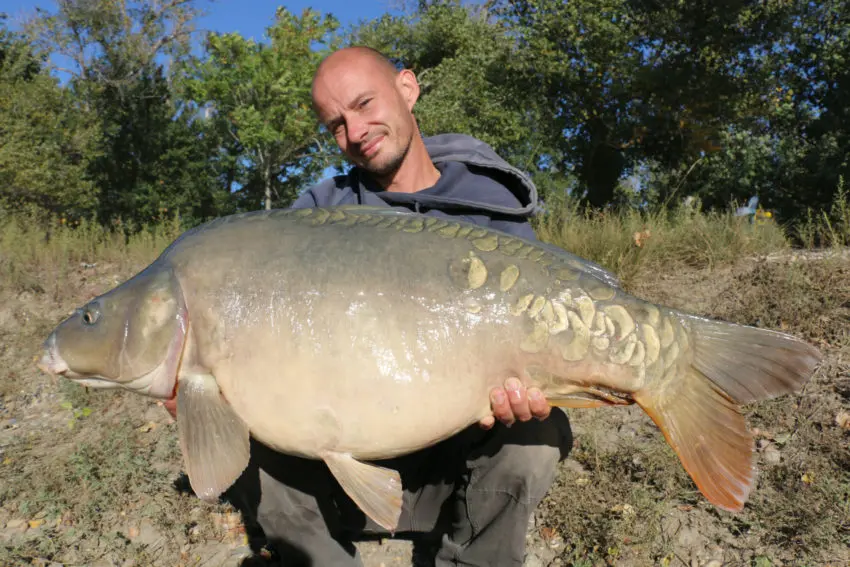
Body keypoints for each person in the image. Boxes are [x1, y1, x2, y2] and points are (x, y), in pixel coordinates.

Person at [168, 46, 574, 567]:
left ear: (407, 88)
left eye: (364, 104)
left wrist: (527, 390)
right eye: (336, 124)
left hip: (457, 471)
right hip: (337, 477)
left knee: (537, 431)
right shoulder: (314, 219)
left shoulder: (494, 211)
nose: (355, 131)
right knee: (243, 421)